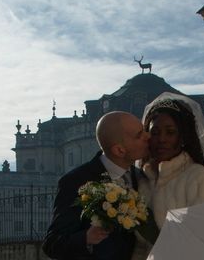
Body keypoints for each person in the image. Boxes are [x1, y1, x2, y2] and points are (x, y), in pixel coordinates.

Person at [131, 92, 204, 259]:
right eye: (155, 132)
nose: (162, 139)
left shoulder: (199, 178)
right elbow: (140, 246)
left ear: (182, 136)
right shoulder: (143, 182)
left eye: (170, 132)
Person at [43, 111, 150, 260]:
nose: (148, 136)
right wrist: (86, 238)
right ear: (119, 150)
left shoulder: (143, 178)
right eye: (139, 135)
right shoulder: (76, 181)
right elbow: (52, 244)